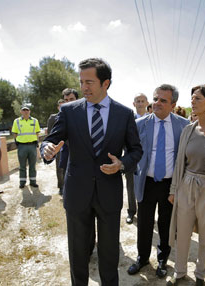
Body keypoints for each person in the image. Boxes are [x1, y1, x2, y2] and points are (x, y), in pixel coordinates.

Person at [41, 58, 143, 285]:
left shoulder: (124, 114)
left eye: (89, 82)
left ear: (106, 83)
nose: (83, 87)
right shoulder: (68, 111)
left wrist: (122, 164)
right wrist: (46, 148)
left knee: (109, 255)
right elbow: (51, 139)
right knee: (78, 254)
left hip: (109, 193)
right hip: (77, 193)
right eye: (81, 82)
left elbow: (136, 150)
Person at [127, 84, 189, 278]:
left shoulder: (184, 125)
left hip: (169, 185)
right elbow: (132, 151)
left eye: (163, 100)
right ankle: (143, 258)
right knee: (144, 223)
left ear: (173, 104)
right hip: (146, 181)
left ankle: (163, 260)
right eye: (155, 99)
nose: (157, 103)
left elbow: (185, 157)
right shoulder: (140, 124)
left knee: (166, 224)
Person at [166, 84, 205, 286]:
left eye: (198, 98)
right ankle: (179, 272)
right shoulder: (188, 130)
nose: (192, 102)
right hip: (186, 184)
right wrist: (174, 190)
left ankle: (200, 275)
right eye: (192, 98)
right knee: (183, 232)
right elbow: (180, 163)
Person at [126, 93, 150, 224]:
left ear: (147, 103)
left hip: (147, 161)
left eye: (142, 101)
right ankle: (131, 211)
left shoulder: (152, 120)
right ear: (133, 104)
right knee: (131, 187)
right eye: (137, 101)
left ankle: (144, 213)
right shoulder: (128, 119)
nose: (140, 103)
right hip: (131, 160)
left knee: (146, 188)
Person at [12, 105, 40, 188]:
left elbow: (37, 133)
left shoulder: (35, 121)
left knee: (32, 165)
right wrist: (16, 142)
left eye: (27, 110)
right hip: (22, 146)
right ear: (21, 112)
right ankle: (22, 182)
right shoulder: (16, 121)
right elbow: (14, 133)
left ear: (30, 111)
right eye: (23, 110)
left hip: (32, 146)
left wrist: (37, 142)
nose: (25, 111)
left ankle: (33, 181)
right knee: (22, 166)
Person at [47, 99, 66, 192]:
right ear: (58, 107)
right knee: (59, 167)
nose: (62, 107)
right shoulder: (53, 118)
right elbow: (50, 133)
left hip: (69, 146)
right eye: (60, 106)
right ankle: (61, 186)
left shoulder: (71, 116)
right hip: (58, 146)